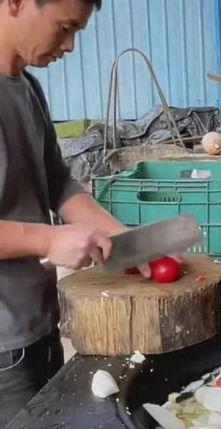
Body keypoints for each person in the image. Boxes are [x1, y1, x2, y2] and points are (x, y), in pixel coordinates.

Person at [0, 0, 149, 424]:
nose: (69, 46)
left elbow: (60, 186)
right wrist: (48, 239)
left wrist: (127, 241)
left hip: (40, 321)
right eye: (64, 27)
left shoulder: (27, 87)